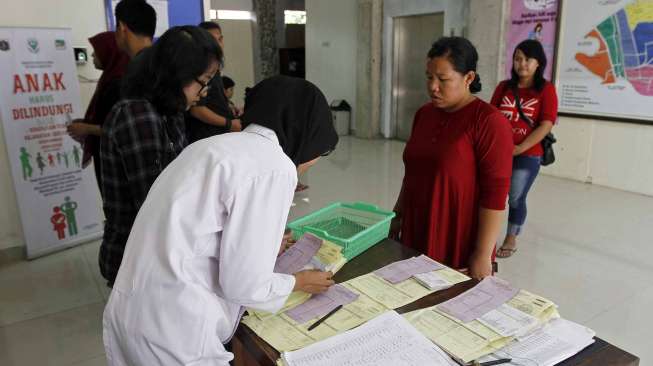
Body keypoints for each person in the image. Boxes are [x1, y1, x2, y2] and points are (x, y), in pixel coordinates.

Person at [103, 76, 338, 365]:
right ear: (310, 134)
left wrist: (264, 249)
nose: (312, 163)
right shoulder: (275, 166)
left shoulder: (208, 147)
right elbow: (244, 286)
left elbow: (198, 230)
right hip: (177, 333)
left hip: (133, 312)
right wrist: (297, 282)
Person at [98, 26, 222, 286]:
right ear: (178, 75)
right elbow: (158, 206)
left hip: (161, 254)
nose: (204, 92)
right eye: (203, 81)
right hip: (138, 262)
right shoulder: (138, 116)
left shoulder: (169, 111)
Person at [389, 37, 513, 280]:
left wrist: (482, 253)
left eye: (443, 79)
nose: (433, 86)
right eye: (429, 77)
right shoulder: (424, 114)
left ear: (468, 78)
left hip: (455, 232)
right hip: (418, 224)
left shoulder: (488, 122)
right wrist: (397, 216)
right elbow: (412, 173)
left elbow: (496, 195)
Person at [491, 39, 557, 258]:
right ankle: (487, 235)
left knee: (516, 197)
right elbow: (491, 117)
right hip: (499, 151)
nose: (522, 64)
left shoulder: (546, 90)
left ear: (539, 63)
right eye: (518, 58)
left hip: (528, 154)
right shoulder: (504, 87)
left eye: (528, 59)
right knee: (493, 194)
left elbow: (546, 124)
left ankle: (511, 237)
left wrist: (520, 148)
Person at [66, 31, 129, 194]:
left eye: (97, 50)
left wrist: (86, 129)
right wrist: (85, 123)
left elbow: (118, 128)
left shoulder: (117, 85)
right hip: (106, 155)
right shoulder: (109, 79)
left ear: (108, 52)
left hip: (115, 160)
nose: (93, 55)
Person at [186, 21, 242, 143]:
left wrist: (229, 108)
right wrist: (229, 123)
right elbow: (197, 110)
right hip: (205, 138)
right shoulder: (199, 68)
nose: (218, 44)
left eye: (220, 39)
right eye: (211, 39)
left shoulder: (215, 69)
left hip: (219, 136)